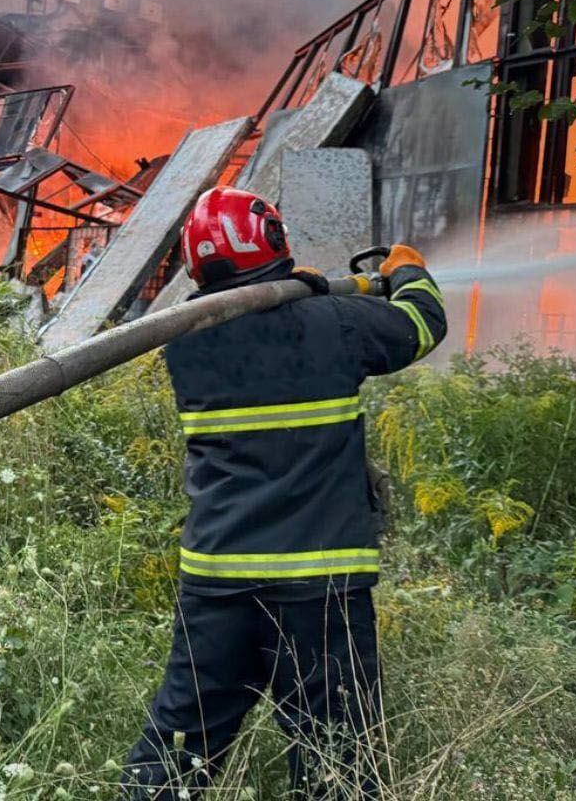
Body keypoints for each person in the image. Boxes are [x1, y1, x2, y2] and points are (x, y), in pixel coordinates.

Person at [119, 187, 446, 800]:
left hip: (219, 582)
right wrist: (408, 271)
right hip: (318, 588)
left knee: (179, 748)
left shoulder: (184, 341)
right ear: (272, 241)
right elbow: (423, 326)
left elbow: (256, 324)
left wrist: (303, 287)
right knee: (337, 759)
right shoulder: (337, 324)